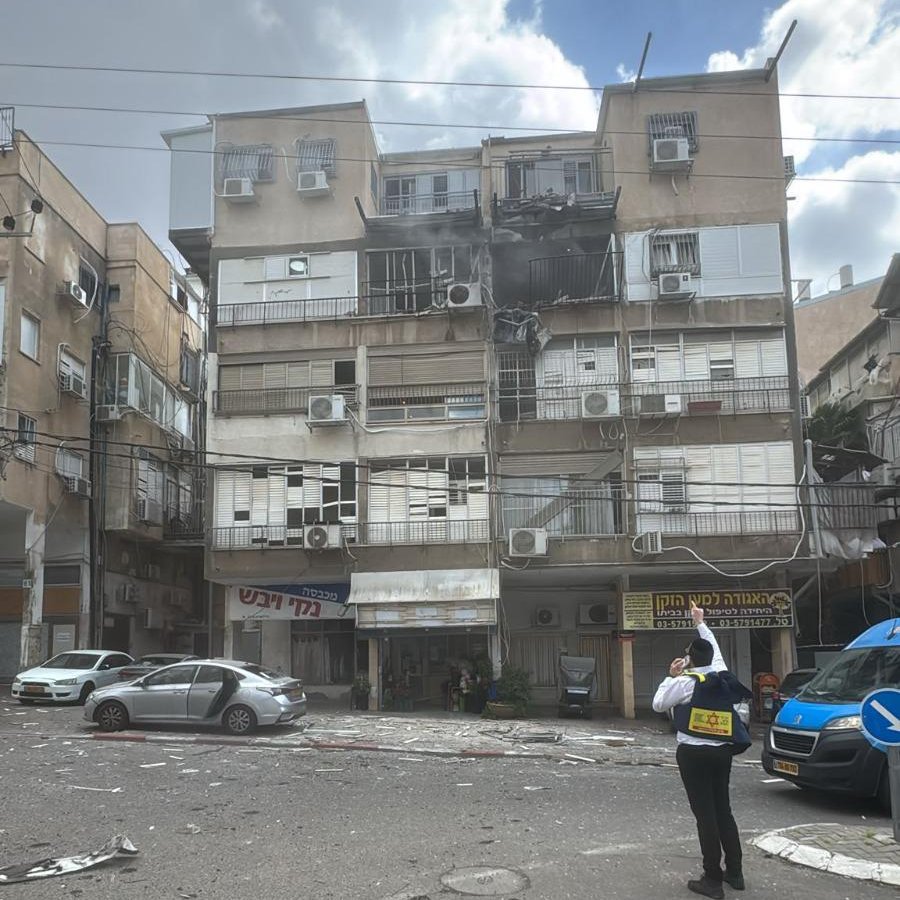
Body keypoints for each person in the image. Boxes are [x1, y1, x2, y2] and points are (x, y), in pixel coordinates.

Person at [652, 602, 753, 899]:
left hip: (693, 754)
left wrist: (670, 675)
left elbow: (659, 704)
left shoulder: (686, 682)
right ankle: (735, 872)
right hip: (722, 752)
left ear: (689, 660)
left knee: (704, 815)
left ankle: (712, 878)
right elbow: (714, 650)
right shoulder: (722, 676)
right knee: (723, 809)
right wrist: (700, 622)